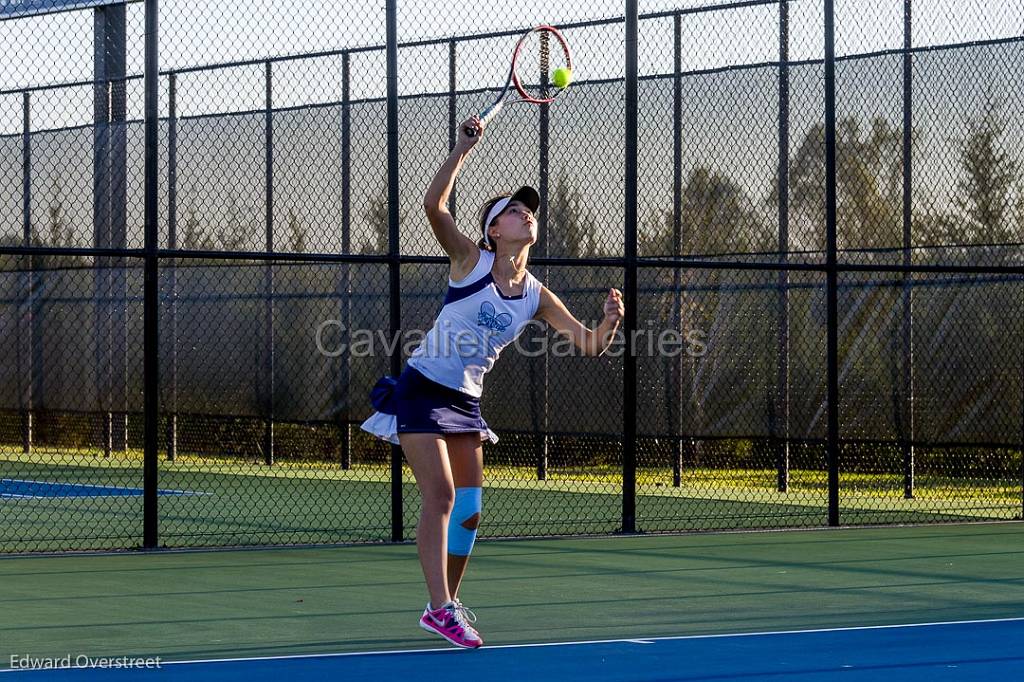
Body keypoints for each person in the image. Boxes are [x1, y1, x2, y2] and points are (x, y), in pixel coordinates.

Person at [360, 114, 625, 649]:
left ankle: (445, 607)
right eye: (512, 210)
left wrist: (610, 323)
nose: (525, 213)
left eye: (528, 210)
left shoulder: (535, 294)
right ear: (492, 230)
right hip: (422, 388)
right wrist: (461, 149)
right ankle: (439, 607)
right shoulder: (469, 260)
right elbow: (433, 207)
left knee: (471, 509)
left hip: (467, 402)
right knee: (440, 496)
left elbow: (590, 345)